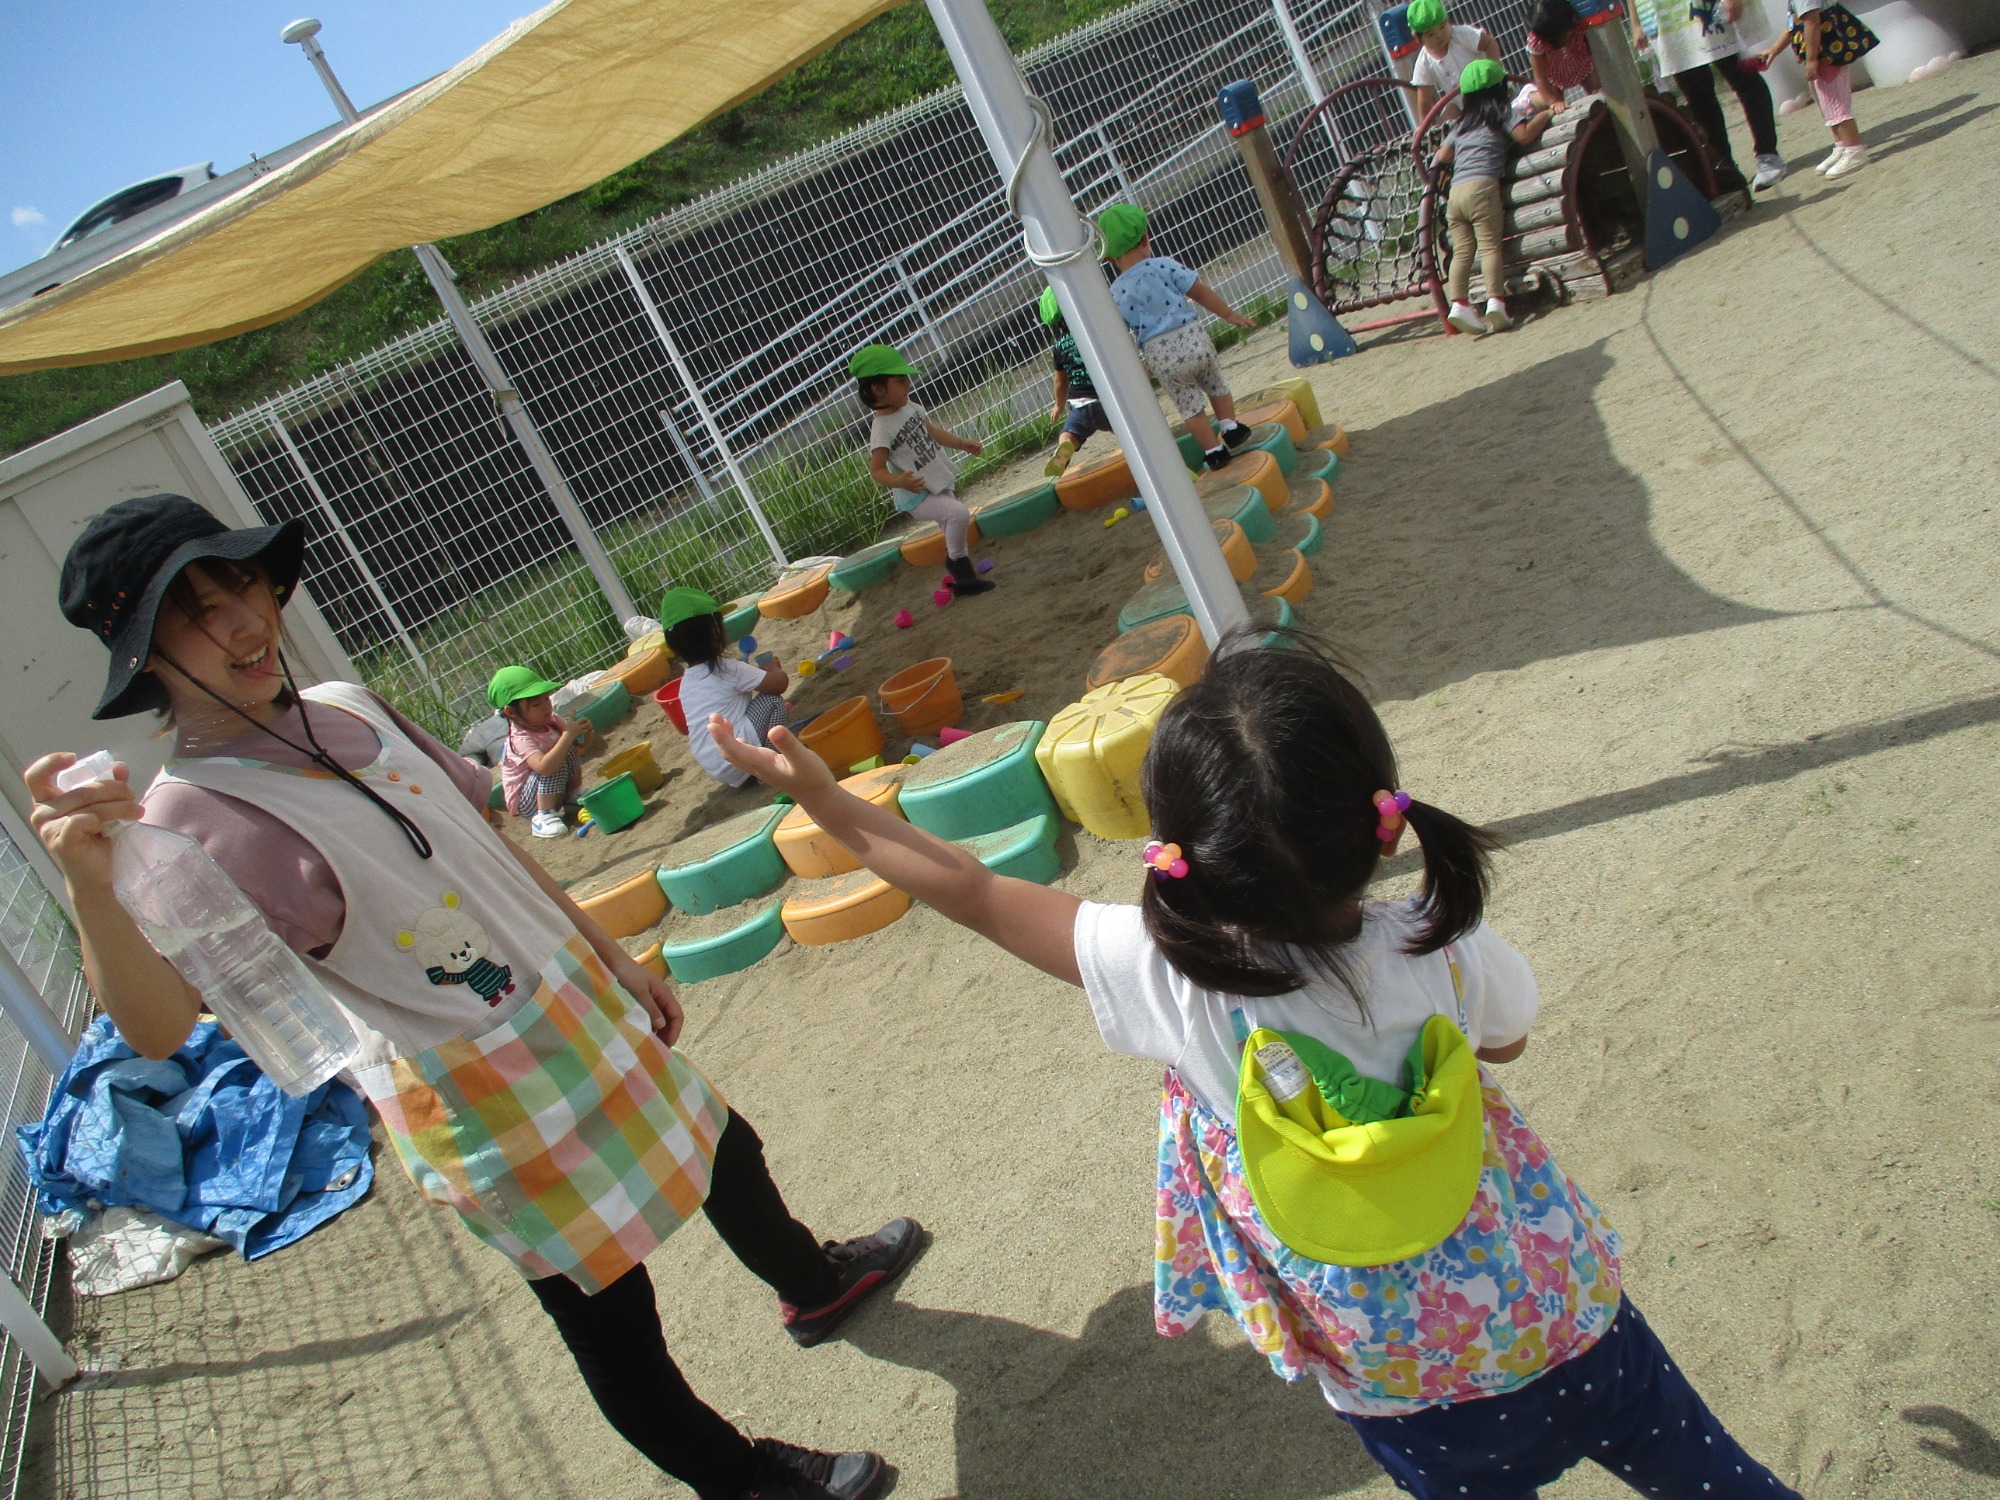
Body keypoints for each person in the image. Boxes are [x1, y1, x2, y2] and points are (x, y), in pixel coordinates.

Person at [709, 628, 1804, 1500]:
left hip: (1399, 1380)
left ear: (1181, 854)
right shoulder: (1438, 943)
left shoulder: (1160, 974)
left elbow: (969, 888)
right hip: (1560, 1312)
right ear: (1382, 822)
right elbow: (1507, 1036)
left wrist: (818, 795)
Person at [28, 494, 925, 1500]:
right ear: (146, 652)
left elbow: (481, 850)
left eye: (238, 582)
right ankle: (747, 1483)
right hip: (472, 1091)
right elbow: (154, 1028)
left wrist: (607, 951)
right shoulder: (189, 821)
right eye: (194, 612)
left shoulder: (350, 706)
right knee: (612, 1322)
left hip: (571, 999)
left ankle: (811, 1285)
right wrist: (89, 880)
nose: (242, 621)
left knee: (723, 1148)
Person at [1097, 203, 1257, 473]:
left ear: (1110, 259)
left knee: (1189, 407)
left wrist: (1139, 367)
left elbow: (1120, 336)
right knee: (1216, 383)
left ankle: (1214, 451)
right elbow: (1200, 292)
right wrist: (1229, 314)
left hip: (1160, 354)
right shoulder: (1163, 265)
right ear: (1146, 238)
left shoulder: (1115, 293)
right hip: (1192, 339)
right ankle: (1230, 426)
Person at [850, 343, 995, 599]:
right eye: (900, 380)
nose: (908, 384)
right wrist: (898, 481)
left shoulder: (911, 407)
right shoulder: (881, 428)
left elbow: (933, 432)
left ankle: (964, 578)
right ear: (877, 389)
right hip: (916, 493)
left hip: (935, 478)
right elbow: (876, 469)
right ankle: (957, 566)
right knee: (958, 514)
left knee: (952, 519)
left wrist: (961, 443)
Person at [1435, 58, 1558, 336]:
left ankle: (1459, 304)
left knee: (1463, 252)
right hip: (1483, 188)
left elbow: (1442, 155)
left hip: (1456, 194)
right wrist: (1546, 114)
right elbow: (1524, 135)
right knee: (1490, 247)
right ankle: (1496, 303)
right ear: (1500, 88)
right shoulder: (1503, 114)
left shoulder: (1462, 125)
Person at [1631, 0, 1789, 191]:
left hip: (1707, 7)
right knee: (1696, 93)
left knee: (1741, 76)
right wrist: (1636, 22)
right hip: (1664, 15)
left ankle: (1767, 155)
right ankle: (1724, 166)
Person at [665, 585, 792, 791]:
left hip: (715, 764)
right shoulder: (729, 669)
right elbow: (779, 685)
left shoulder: (686, 683)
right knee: (773, 702)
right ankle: (770, 765)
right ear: (715, 632)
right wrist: (774, 669)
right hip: (738, 752)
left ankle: (747, 775)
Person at [1755, 0, 1877, 177]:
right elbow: (1794, 23)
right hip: (1820, 50)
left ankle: (1854, 149)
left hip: (1828, 51)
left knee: (1834, 100)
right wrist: (1774, 49)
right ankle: (1842, 145)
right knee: (1824, 100)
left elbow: (1812, 21)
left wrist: (1812, 60)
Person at [490, 664, 593, 837]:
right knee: (555, 754)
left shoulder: (552, 721)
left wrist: (585, 736)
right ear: (512, 712)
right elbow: (544, 767)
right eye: (536, 704)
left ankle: (573, 795)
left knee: (562, 749)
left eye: (546, 699)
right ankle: (542, 817)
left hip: (553, 787)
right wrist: (567, 736)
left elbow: (576, 751)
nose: (546, 706)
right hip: (529, 802)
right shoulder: (520, 738)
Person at [1039, 286, 1113, 478]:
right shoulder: (1093, 330)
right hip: (1106, 399)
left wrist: (1058, 405)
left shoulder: (1059, 347)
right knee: (1128, 428)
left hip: (1079, 403)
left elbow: (1060, 381)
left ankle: (1066, 445)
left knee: (1071, 432)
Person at [1405, 0, 1502, 124]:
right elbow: (1424, 99)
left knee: (1494, 105)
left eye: (1442, 27)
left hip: (1487, 90)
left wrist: (1494, 73)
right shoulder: (1424, 61)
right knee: (1447, 117)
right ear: (1419, 39)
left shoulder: (1461, 35)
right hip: (1461, 105)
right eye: (1431, 34)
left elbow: (1489, 44)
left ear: (1448, 22)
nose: (1439, 35)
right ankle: (1439, 138)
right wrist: (1425, 125)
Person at [1525, 0, 1602, 109]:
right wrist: (1553, 101)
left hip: (1583, 67)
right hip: (1554, 77)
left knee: (1598, 93)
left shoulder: (1577, 23)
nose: (1561, 41)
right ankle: (1529, 96)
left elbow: (1594, 51)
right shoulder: (1538, 40)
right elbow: (1540, 77)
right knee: (1552, 104)